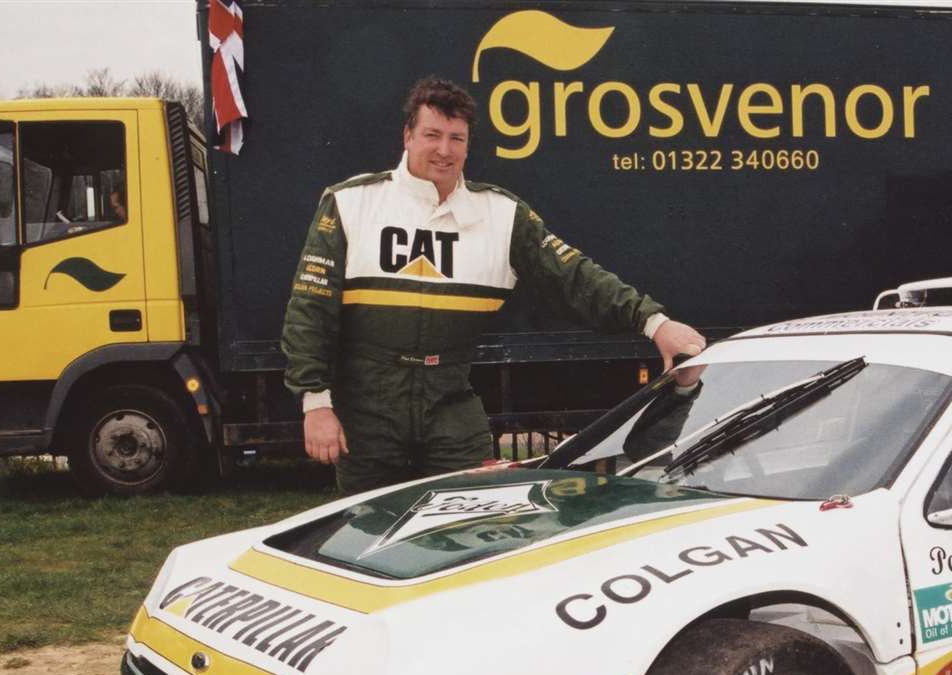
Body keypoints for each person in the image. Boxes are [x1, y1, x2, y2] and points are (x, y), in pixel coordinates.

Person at [280, 77, 705, 493]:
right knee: (367, 533)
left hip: (450, 401)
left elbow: (575, 276)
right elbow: (308, 311)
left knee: (466, 528)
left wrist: (654, 321)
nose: (444, 151)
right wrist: (315, 403)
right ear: (407, 136)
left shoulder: (501, 213)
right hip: (366, 406)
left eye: (457, 138)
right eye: (432, 135)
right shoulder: (351, 202)